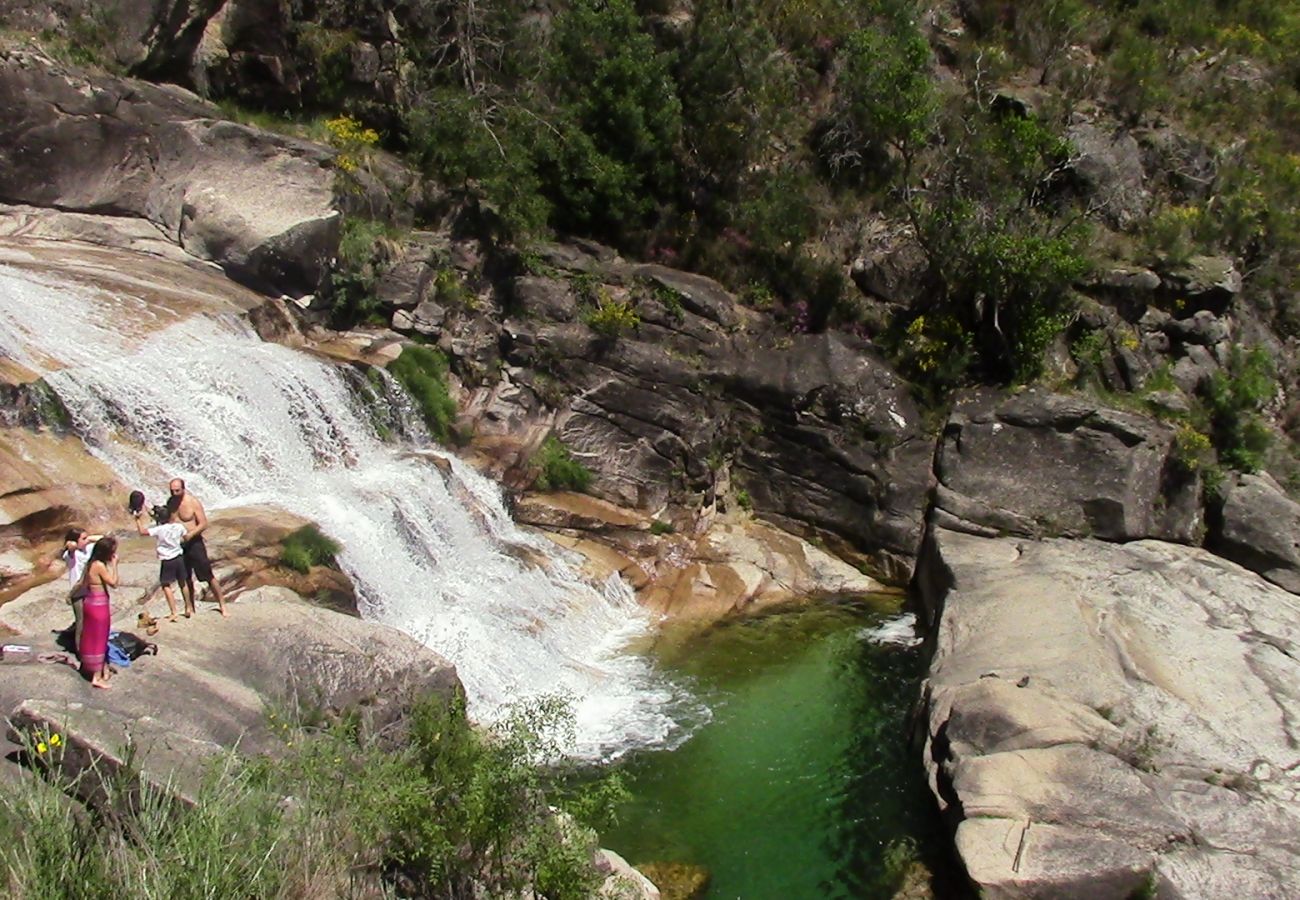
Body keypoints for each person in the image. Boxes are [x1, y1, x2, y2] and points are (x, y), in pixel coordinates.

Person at [168, 478, 228, 617]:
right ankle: (190, 607)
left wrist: (191, 534)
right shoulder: (170, 503)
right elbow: (169, 522)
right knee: (185, 576)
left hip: (194, 542)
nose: (174, 493)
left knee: (207, 575)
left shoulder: (192, 502)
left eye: (177, 490)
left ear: (183, 489)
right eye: (172, 491)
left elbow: (203, 523)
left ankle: (222, 604)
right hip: (179, 544)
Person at [133, 499, 193, 621]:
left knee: (166, 585)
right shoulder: (178, 526)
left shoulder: (159, 529)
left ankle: (174, 612)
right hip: (179, 557)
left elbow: (142, 532)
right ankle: (188, 607)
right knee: (183, 582)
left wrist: (137, 520)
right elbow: (185, 535)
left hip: (167, 559)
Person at [76, 536, 118, 689]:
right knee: (100, 638)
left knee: (90, 636)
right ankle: (97, 677)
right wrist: (114, 565)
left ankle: (99, 668)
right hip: (98, 605)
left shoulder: (90, 564)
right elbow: (113, 583)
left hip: (89, 601)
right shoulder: (99, 565)